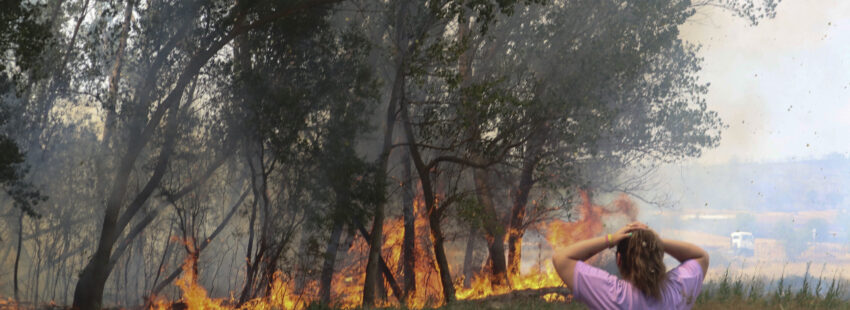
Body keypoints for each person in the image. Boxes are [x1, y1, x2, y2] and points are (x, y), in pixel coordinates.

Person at [552, 222, 709, 309]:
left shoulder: (613, 295)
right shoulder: (675, 291)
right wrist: (655, 241)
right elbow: (700, 256)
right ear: (659, 258)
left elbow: (562, 258)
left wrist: (611, 239)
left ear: (619, 260)